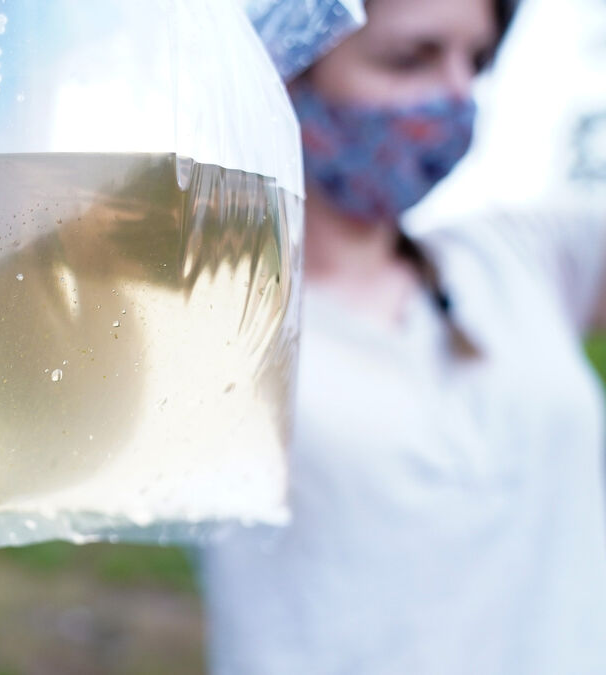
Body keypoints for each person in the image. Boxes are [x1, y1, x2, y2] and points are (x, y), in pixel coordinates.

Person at [201, 0, 606, 672]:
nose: (457, 94)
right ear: (284, 71)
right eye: (410, 59)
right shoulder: (209, 315)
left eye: (476, 60)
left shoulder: (519, 255)